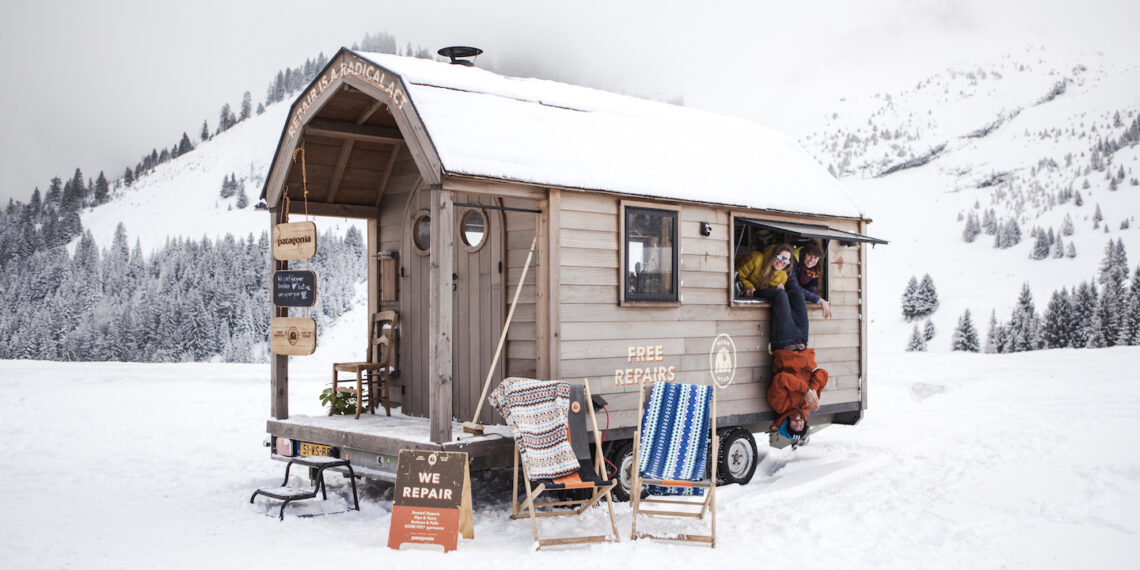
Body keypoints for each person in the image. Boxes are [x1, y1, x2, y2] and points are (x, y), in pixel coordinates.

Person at [736, 242, 809, 351]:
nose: (781, 262)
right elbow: (737, 274)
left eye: (786, 260)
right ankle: (783, 343)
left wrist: (781, 288)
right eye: (779, 257)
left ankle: (802, 341)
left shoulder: (783, 275)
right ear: (773, 255)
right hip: (748, 292)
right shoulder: (757, 258)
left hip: (765, 294)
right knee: (780, 294)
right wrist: (748, 286)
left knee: (797, 294)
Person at [766, 348, 829, 445]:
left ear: (786, 424)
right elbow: (822, 373)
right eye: (801, 426)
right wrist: (813, 389)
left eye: (794, 426)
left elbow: (782, 379)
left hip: (786, 348)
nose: (799, 423)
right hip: (804, 348)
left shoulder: (780, 406)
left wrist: (806, 391)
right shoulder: (808, 404)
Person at [793, 242, 832, 319]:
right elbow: (795, 287)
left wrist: (814, 300)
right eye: (809, 255)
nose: (811, 260)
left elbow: (812, 288)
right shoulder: (793, 262)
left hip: (800, 300)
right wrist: (819, 300)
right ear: (804, 253)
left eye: (815, 257)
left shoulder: (815, 271)